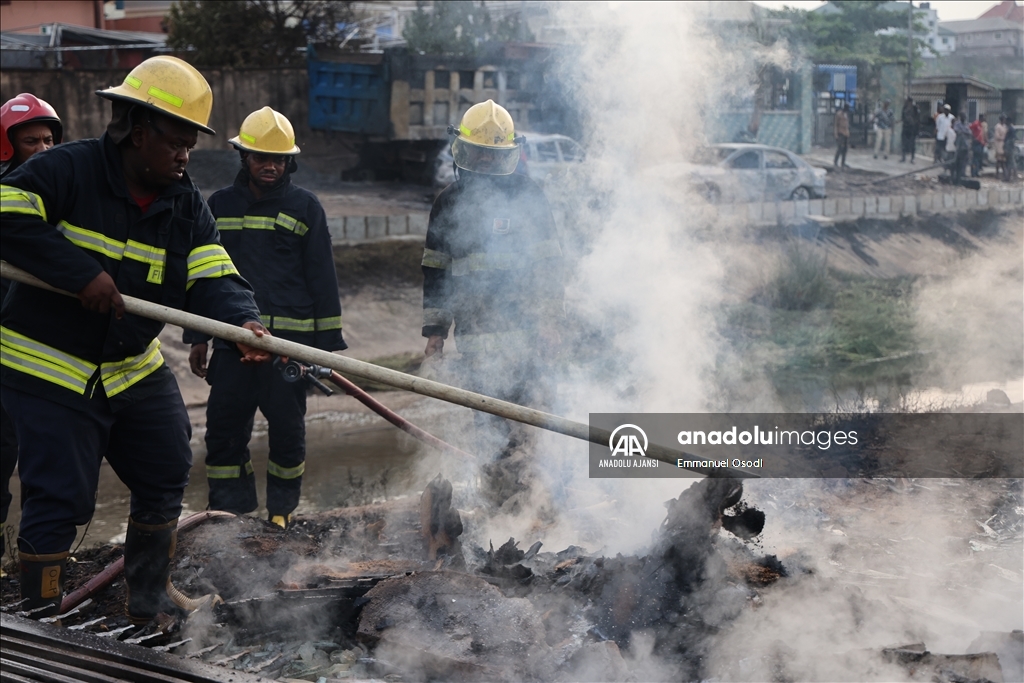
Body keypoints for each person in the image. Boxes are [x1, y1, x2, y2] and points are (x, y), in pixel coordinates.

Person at [0, 56, 272, 622]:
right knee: (61, 495)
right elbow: (6, 211)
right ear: (138, 132)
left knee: (166, 463)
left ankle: (148, 597)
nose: (184, 155)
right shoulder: (68, 169)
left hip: (131, 363)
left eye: (191, 144)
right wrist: (80, 275)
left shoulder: (183, 201)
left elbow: (213, 273)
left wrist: (243, 322)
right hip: (50, 364)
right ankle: (45, 615)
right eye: (175, 141)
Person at [184, 107, 346, 529]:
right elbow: (203, 274)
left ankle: (280, 515)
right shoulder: (217, 205)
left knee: (288, 436)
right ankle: (228, 515)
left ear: (289, 162)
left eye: (279, 159)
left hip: (286, 350)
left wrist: (324, 351)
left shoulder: (305, 206)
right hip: (230, 345)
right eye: (261, 158)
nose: (271, 166)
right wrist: (198, 336)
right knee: (223, 433)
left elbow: (322, 279)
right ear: (244, 158)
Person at [421, 100, 564, 502]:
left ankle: (533, 506)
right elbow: (435, 270)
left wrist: (552, 322)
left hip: (529, 339)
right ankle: (498, 510)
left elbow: (550, 266)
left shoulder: (530, 197)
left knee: (528, 427)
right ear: (463, 151)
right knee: (487, 428)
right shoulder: (448, 202)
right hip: (476, 342)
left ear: (509, 154)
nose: (484, 160)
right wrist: (435, 333)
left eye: (493, 153)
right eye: (478, 151)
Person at [0, 93, 64, 572]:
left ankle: (40, 563)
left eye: (48, 140)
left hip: (42, 355)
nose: (43, 149)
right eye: (30, 141)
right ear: (7, 147)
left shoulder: (65, 199)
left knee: (48, 465)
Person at [952, 113, 971, 184]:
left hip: (965, 146)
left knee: (965, 160)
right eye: (963, 117)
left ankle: (963, 173)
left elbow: (969, 133)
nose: (964, 118)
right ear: (960, 117)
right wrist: (964, 132)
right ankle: (957, 176)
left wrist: (963, 132)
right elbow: (956, 131)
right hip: (959, 145)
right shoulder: (957, 124)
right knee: (957, 161)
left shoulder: (966, 124)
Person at [899, 97, 918, 163]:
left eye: (907, 101)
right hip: (905, 127)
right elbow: (902, 117)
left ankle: (912, 158)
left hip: (912, 128)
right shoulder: (904, 108)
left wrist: (916, 129)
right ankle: (903, 157)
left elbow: (917, 118)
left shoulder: (915, 108)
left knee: (912, 144)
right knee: (904, 143)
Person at [833, 103, 850, 169]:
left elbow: (847, 124)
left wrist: (848, 132)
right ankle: (835, 161)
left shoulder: (846, 114)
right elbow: (835, 124)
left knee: (845, 149)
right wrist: (836, 133)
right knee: (840, 148)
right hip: (840, 132)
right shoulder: (839, 114)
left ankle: (843, 162)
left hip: (846, 133)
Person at [993, 114, 1008, 180]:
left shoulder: (1005, 126)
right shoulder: (997, 126)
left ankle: (1003, 173)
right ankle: (997, 173)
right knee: (999, 160)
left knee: (1003, 160)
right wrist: (1003, 138)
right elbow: (997, 136)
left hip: (1004, 144)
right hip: (999, 144)